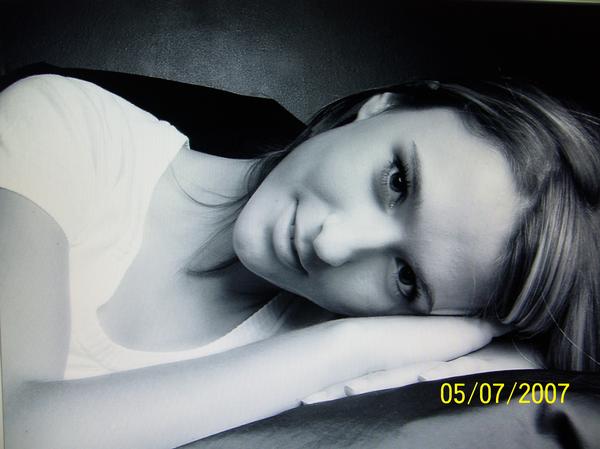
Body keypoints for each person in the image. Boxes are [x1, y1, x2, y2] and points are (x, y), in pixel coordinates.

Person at [0, 73, 598, 449]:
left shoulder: (352, 387)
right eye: (397, 181)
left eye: (406, 277)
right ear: (385, 105)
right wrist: (348, 347)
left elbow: (519, 403)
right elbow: (17, 428)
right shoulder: (68, 129)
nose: (332, 244)